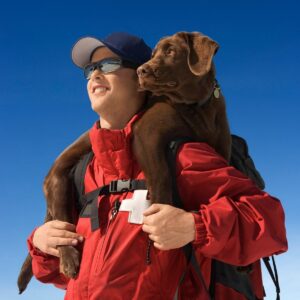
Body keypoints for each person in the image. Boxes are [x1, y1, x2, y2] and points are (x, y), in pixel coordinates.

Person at [27, 32, 288, 299]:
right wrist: (42, 246)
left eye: (109, 65)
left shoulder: (182, 157)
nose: (95, 74)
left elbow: (270, 224)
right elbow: (63, 276)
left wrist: (194, 226)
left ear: (142, 80)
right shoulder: (85, 172)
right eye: (90, 69)